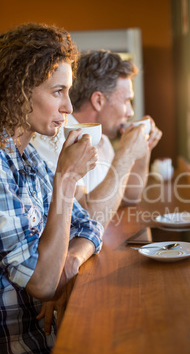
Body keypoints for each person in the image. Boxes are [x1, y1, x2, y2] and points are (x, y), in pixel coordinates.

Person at [0, 23, 103, 354]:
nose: (69, 107)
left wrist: (70, 262)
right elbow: (43, 284)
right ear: (17, 90)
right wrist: (67, 179)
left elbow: (90, 226)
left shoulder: (28, 159)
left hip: (46, 346)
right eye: (58, 91)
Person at [32, 50, 162, 228]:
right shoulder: (56, 138)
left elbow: (129, 197)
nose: (130, 112)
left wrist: (142, 150)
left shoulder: (102, 139)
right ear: (98, 101)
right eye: (126, 101)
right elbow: (87, 222)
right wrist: (126, 154)